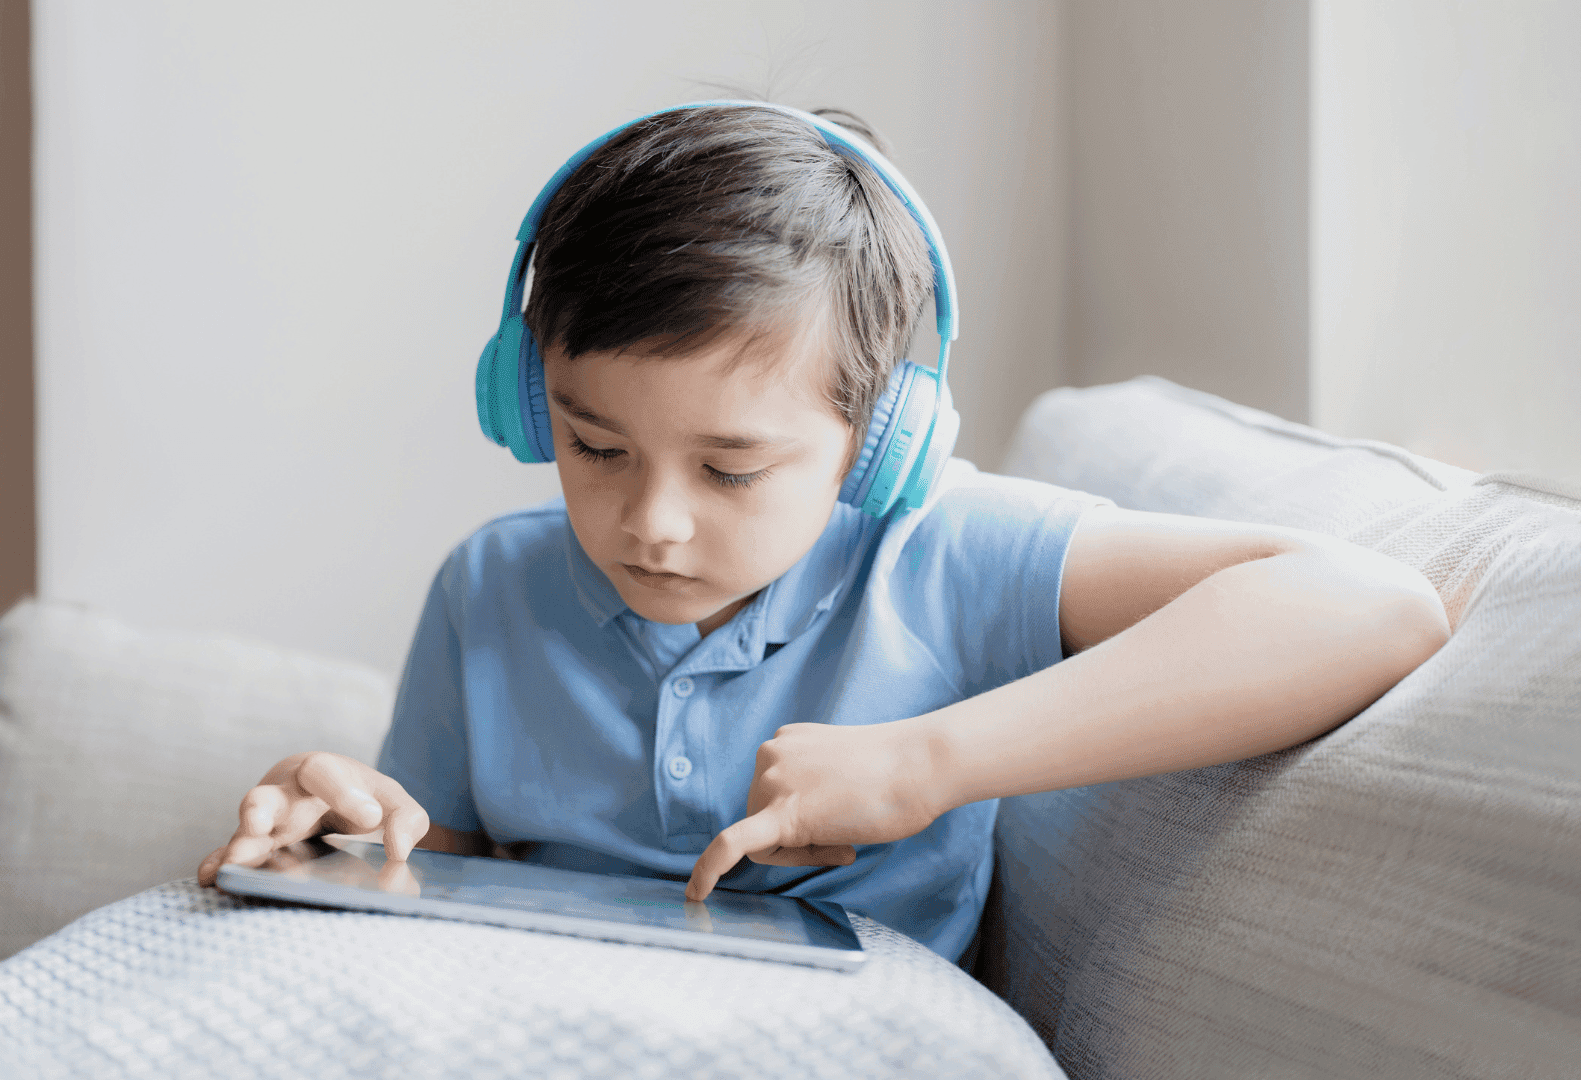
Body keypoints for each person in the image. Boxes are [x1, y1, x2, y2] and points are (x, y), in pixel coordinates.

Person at [196, 102, 1448, 962]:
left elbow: (1369, 609)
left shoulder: (949, 555)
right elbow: (445, 867)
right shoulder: (492, 585)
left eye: (734, 469)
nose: (653, 523)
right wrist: (354, 831)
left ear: (880, 440)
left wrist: (928, 763)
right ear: (529, 406)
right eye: (594, 447)